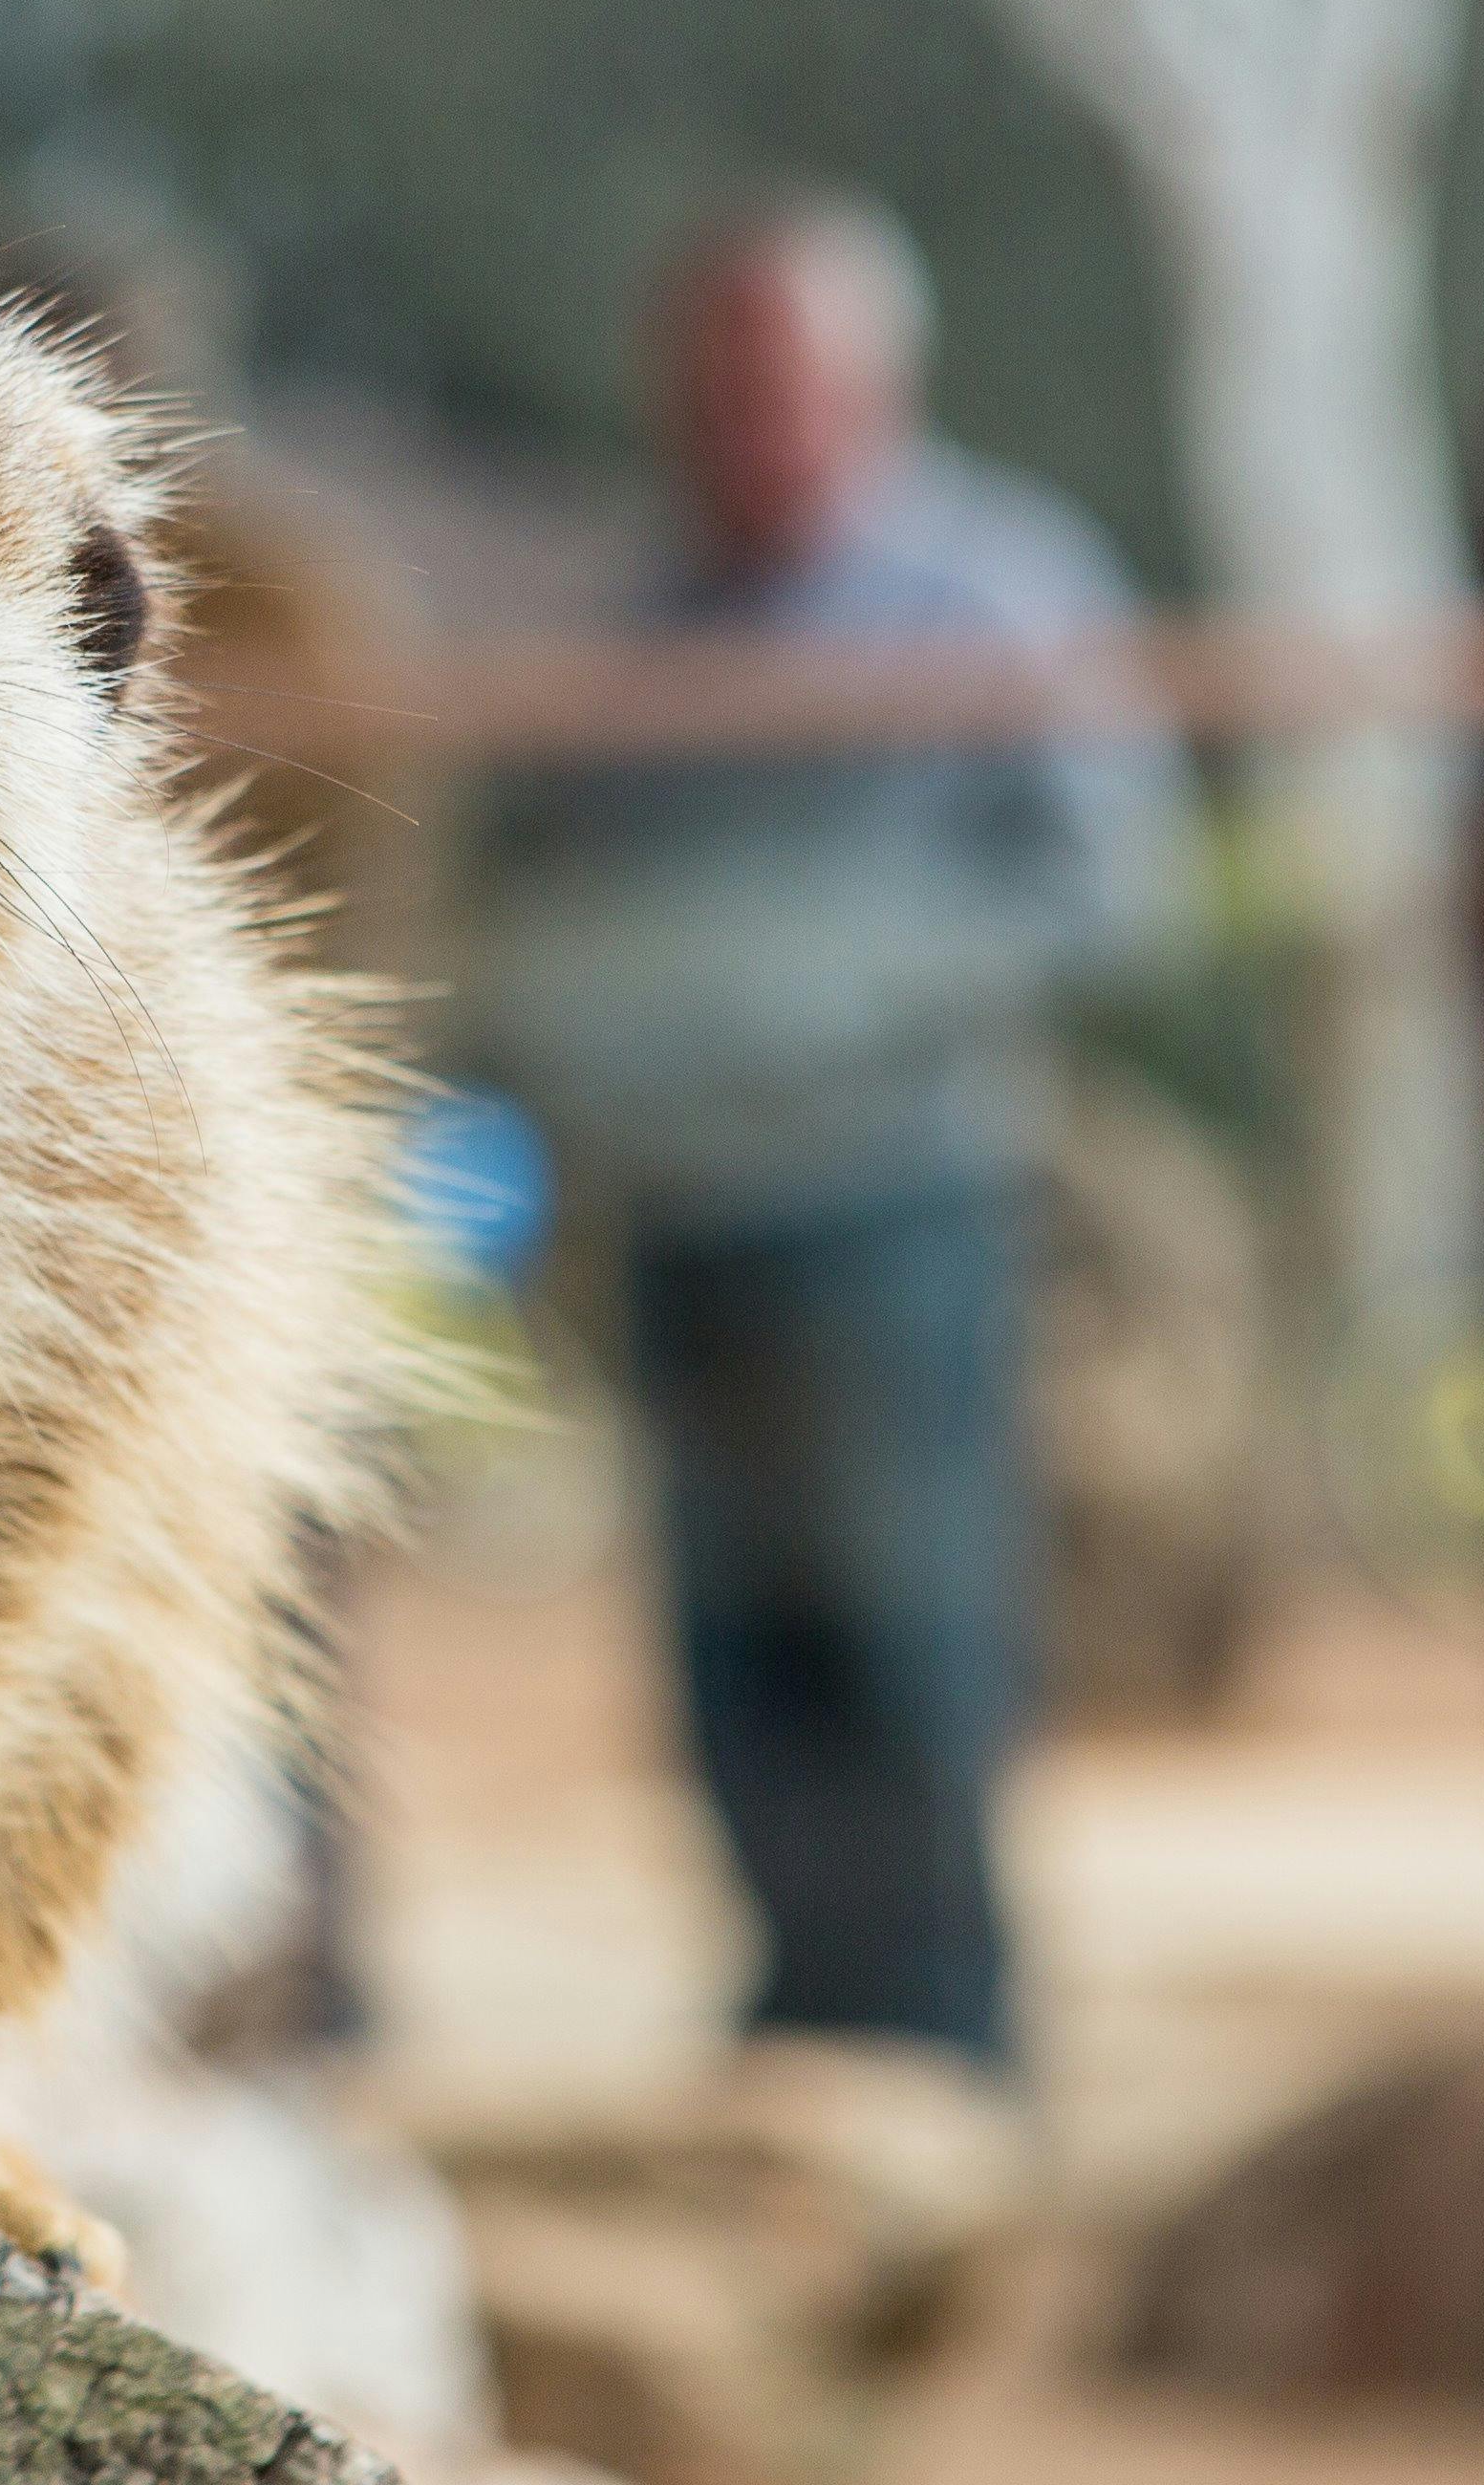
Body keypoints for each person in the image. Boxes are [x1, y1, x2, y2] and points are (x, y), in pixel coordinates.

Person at [464, 196, 1184, 2065]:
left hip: (901, 1197)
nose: (752, 423)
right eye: (718, 384)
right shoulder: (617, 625)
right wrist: (607, 1023)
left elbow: (1120, 882)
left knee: (908, 1634)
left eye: (787, 382)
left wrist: (845, 979)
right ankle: (795, 2029)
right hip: (687, 1209)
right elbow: (520, 901)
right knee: (733, 1649)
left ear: (878, 384)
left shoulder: (1001, 586)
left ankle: (948, 2040)